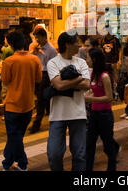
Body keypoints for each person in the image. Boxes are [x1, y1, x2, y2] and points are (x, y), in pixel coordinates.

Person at [46, 31, 91, 171]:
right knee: (54, 154)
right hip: (57, 115)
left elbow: (87, 84)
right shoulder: (53, 62)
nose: (79, 45)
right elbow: (58, 85)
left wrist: (64, 81)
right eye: (76, 42)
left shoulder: (81, 62)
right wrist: (78, 78)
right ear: (67, 44)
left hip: (78, 115)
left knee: (79, 155)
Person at [0, 31, 42, 171]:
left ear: (11, 45)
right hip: (28, 105)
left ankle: (22, 164)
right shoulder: (34, 59)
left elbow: (5, 81)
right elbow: (38, 79)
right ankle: (7, 162)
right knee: (16, 136)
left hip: (12, 105)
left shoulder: (9, 61)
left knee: (14, 136)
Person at [84, 48, 120, 171]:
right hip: (94, 115)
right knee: (90, 145)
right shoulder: (92, 74)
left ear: (94, 60)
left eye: (88, 57)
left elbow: (109, 97)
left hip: (105, 115)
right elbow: (93, 90)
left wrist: (91, 99)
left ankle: (111, 167)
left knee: (108, 146)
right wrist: (88, 94)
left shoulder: (104, 76)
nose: (86, 60)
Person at [28, 28, 57, 133]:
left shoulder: (51, 50)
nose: (37, 40)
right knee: (44, 99)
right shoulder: (36, 48)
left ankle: (36, 124)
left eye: (38, 37)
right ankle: (53, 120)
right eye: (35, 38)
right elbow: (30, 59)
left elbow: (53, 65)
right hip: (37, 75)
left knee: (41, 100)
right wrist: (33, 52)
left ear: (44, 37)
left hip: (46, 75)